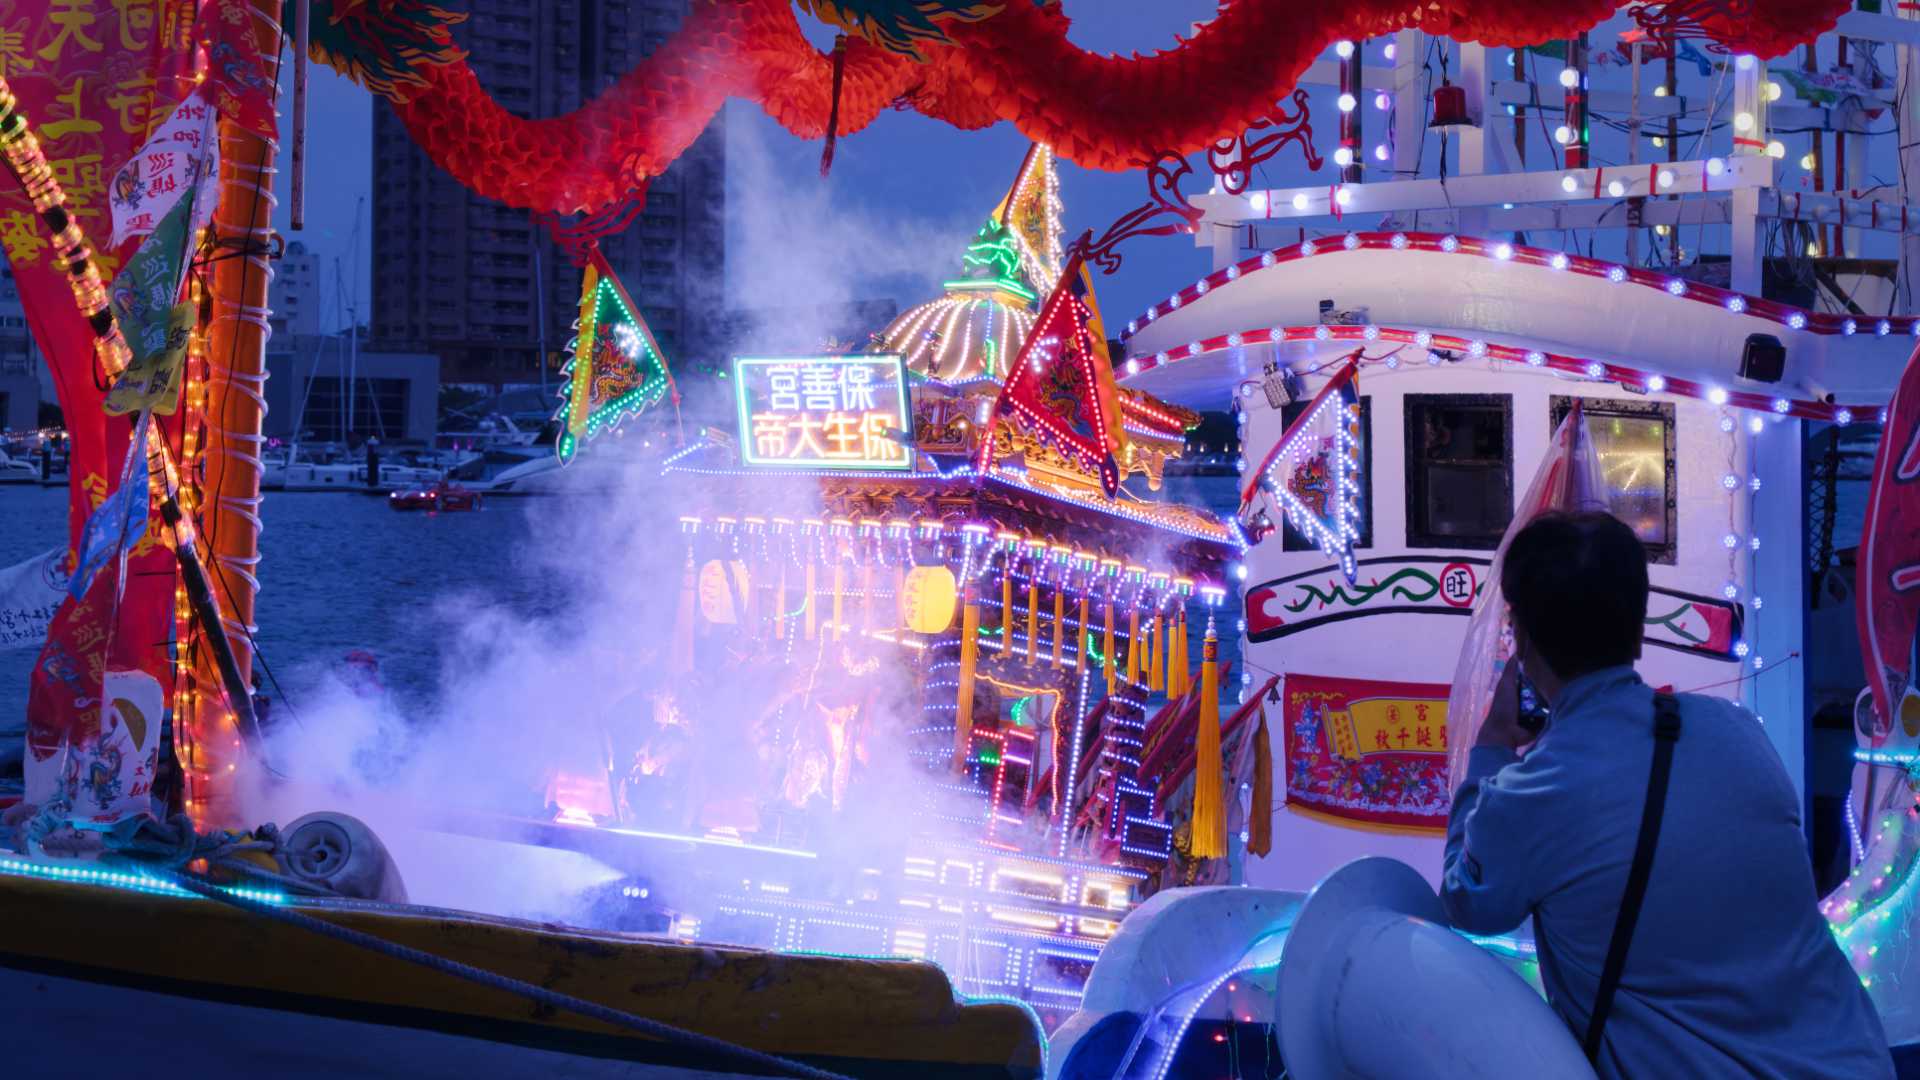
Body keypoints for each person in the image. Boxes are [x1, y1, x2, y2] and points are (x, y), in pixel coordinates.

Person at [1442, 511, 1893, 1078]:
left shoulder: (1532, 794)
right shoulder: (1738, 733)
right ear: (1636, 629)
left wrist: (1489, 752)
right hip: (1852, 1061)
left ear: (1522, 642)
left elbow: (1466, 902)